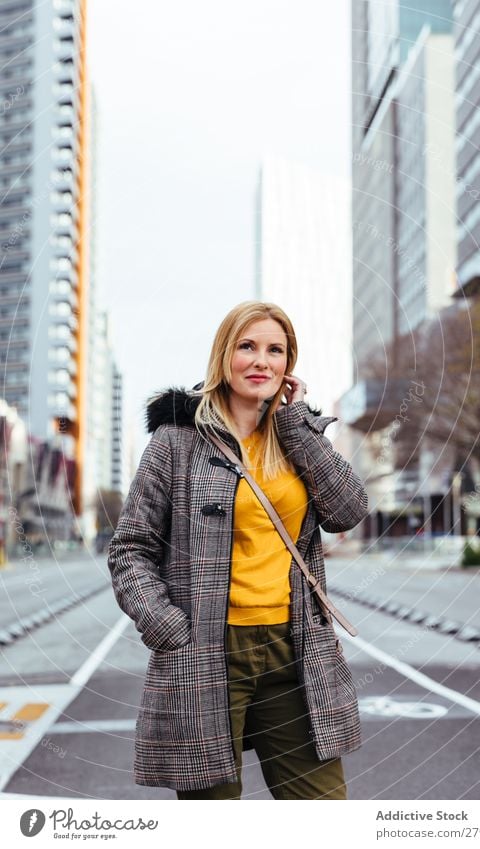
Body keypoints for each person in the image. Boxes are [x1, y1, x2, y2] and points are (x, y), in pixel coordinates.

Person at [107, 300, 368, 799]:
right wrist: (166, 627)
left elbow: (348, 509)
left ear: (289, 365)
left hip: (295, 649)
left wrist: (295, 428)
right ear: (224, 355)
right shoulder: (176, 441)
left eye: (275, 350)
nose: (261, 361)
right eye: (247, 347)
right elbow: (131, 549)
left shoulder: (296, 436)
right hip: (206, 649)